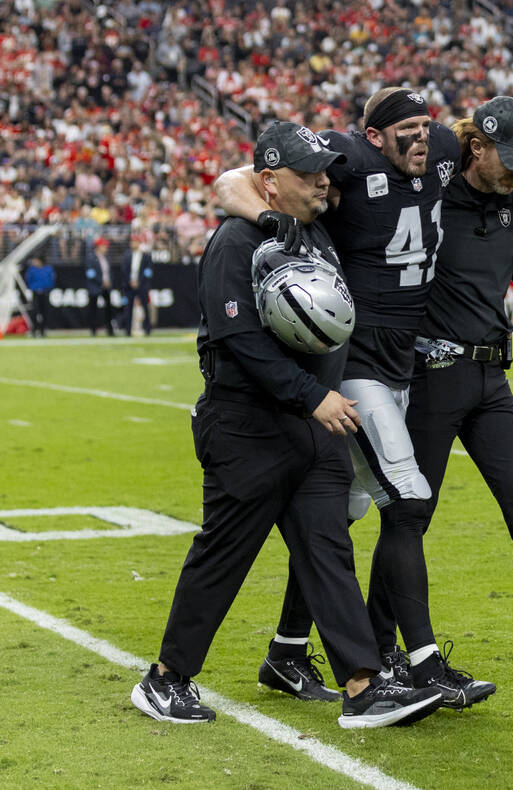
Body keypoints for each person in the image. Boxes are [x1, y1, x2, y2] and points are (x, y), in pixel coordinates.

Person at [276, 96, 513, 693]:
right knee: (406, 513)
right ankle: (389, 652)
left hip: (492, 375)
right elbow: (362, 166)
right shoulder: (431, 184)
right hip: (427, 372)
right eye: (511, 158)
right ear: (476, 147)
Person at [131, 122, 442, 729]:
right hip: (247, 424)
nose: (323, 180)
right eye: (307, 173)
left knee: (328, 551)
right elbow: (238, 338)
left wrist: (318, 397)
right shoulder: (234, 242)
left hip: (310, 424)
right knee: (225, 553)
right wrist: (312, 395)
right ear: (269, 183)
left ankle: (362, 685)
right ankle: (165, 678)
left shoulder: (316, 231)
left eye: (323, 169)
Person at [83, 237, 117, 336]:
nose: (106, 248)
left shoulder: (106, 258)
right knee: (93, 309)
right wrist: (101, 281)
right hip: (95, 287)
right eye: (104, 246)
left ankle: (110, 330)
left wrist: (109, 281)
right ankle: (93, 330)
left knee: (109, 309)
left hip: (106, 287)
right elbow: (90, 273)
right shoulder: (91, 258)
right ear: (98, 246)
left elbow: (109, 272)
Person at [123, 237, 155, 336]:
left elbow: (148, 271)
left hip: (142, 285)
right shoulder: (127, 255)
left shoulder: (146, 256)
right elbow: (124, 270)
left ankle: (147, 329)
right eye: (132, 242)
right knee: (129, 308)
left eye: (135, 242)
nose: (133, 244)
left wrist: (139, 282)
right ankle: (127, 330)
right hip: (130, 285)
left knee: (145, 307)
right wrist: (130, 282)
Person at [23, 257, 54, 337]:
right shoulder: (32, 269)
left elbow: (51, 280)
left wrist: (47, 288)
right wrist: (33, 288)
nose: (34, 262)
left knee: (44, 312)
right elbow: (28, 279)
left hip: (45, 293)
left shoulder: (48, 269)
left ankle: (42, 331)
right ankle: (33, 330)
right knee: (34, 312)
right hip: (35, 293)